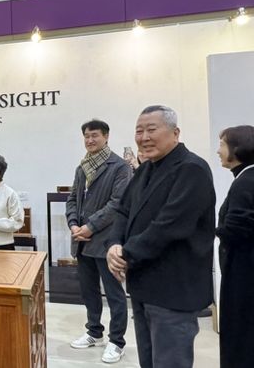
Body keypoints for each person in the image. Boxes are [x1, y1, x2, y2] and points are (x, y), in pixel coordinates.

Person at [106, 105, 215, 368]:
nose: (143, 137)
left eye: (151, 130)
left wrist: (126, 254)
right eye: (139, 131)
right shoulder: (145, 169)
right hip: (143, 284)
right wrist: (114, 244)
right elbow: (123, 210)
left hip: (173, 289)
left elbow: (169, 225)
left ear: (175, 133)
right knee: (149, 360)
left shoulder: (192, 169)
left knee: (169, 361)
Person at [66, 120, 131, 363]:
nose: (90, 140)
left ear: (106, 137)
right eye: (86, 136)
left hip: (107, 242)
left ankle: (117, 341)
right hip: (82, 242)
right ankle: (94, 331)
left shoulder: (120, 166)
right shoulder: (82, 167)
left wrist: (90, 226)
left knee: (114, 294)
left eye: (94, 135)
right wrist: (74, 224)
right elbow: (72, 199)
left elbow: (117, 203)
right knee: (89, 291)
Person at [215, 125, 254, 368]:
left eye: (222, 145)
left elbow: (237, 228)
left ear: (237, 149)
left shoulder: (245, 181)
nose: (218, 151)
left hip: (243, 274)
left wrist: (207, 230)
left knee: (240, 336)